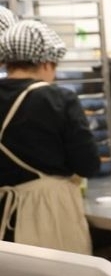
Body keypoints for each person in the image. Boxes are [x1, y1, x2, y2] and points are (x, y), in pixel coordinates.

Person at [0, 19, 99, 254]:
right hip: (49, 214)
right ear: (46, 63)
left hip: (4, 215)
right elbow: (88, 164)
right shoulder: (58, 99)